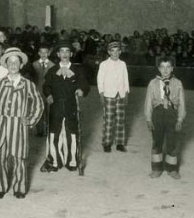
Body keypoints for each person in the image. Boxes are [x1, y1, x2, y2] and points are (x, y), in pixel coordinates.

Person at [0, 46, 44, 199]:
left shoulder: (28, 84)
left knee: (19, 157)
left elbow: (39, 103)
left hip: (19, 126)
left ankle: (19, 188)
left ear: (21, 65)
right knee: (1, 157)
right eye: (10, 62)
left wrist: (30, 120)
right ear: (6, 65)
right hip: (1, 124)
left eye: (16, 62)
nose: (13, 65)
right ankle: (0, 187)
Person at [41, 39, 89, 174]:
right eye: (61, 51)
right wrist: (48, 95)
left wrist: (81, 90)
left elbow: (84, 84)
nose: (65, 54)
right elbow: (46, 86)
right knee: (54, 133)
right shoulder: (52, 70)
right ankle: (54, 161)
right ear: (58, 54)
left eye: (67, 51)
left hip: (71, 106)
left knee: (71, 133)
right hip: (56, 106)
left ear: (71, 54)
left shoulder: (77, 70)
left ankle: (72, 161)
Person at [143, 56, 186, 178]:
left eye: (168, 67)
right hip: (157, 113)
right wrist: (148, 119)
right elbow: (148, 102)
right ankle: (156, 168)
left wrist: (180, 119)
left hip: (172, 114)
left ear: (172, 68)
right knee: (157, 142)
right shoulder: (153, 83)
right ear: (158, 68)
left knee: (172, 142)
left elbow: (182, 103)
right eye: (162, 67)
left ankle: (172, 169)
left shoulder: (178, 83)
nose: (165, 70)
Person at [96, 40, 130, 153]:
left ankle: (120, 143)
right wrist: (101, 94)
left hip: (121, 94)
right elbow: (100, 80)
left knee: (121, 119)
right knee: (109, 120)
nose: (115, 53)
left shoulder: (123, 64)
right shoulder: (104, 64)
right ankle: (107, 143)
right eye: (112, 51)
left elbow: (126, 79)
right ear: (109, 52)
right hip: (108, 95)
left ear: (120, 52)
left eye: (117, 51)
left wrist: (126, 93)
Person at [29, 44, 54, 137]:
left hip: (48, 92)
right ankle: (40, 130)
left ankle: (48, 129)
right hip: (37, 91)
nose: (43, 54)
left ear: (49, 53)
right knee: (38, 109)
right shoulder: (34, 64)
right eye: (41, 52)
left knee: (48, 110)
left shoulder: (53, 65)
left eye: (45, 52)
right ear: (38, 53)